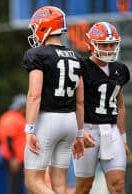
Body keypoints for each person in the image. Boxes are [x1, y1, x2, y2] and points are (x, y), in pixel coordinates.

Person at [22, 6, 85, 194]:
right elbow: (80, 101)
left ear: (44, 26)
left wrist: (29, 128)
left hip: (47, 121)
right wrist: (80, 133)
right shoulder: (77, 57)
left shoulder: (37, 55)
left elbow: (34, 94)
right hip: (70, 122)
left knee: (33, 182)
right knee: (59, 185)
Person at [72, 22, 130, 194]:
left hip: (111, 130)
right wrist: (79, 131)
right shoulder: (82, 67)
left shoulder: (120, 69)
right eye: (104, 44)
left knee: (118, 186)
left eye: (112, 44)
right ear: (91, 44)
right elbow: (76, 103)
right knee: (84, 187)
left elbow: (120, 105)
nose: (110, 48)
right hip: (88, 129)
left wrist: (123, 138)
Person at [0, 94, 26, 194]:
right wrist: (13, 158)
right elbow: (8, 139)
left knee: (18, 184)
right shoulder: (12, 118)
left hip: (16, 158)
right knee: (15, 185)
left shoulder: (13, 116)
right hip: (13, 158)